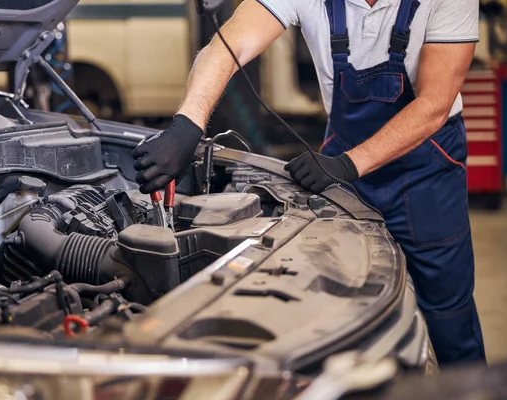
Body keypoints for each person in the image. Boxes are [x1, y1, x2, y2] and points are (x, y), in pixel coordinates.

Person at [131, 0, 486, 366]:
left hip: (425, 172)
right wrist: (188, 123)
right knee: (341, 306)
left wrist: (349, 164)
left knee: (448, 313)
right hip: (343, 164)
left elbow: (434, 104)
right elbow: (229, 43)